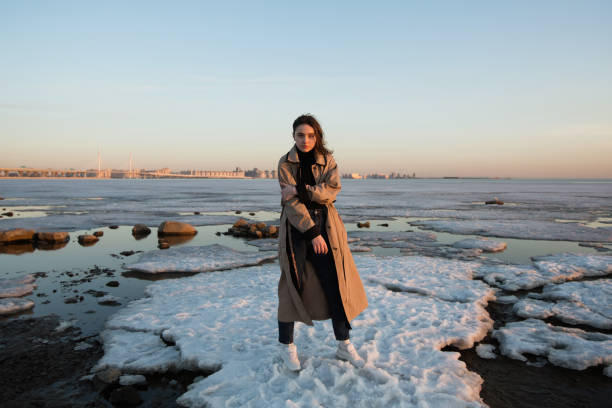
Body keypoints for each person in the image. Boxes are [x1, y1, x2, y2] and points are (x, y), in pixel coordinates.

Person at [277, 114, 368, 371]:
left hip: (328, 226)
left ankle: (344, 345)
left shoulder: (327, 160)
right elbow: (292, 205)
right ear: (293, 136)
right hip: (297, 229)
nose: (305, 140)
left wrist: (300, 190)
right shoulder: (285, 162)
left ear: (317, 136)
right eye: (300, 135)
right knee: (291, 285)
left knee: (335, 285)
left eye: (310, 135)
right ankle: (287, 347)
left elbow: (332, 191)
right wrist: (312, 233)